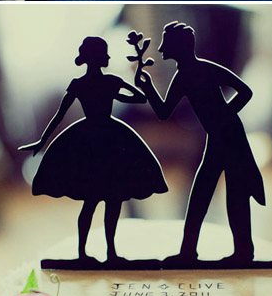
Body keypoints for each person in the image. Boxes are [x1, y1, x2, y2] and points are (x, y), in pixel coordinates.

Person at [20, 36, 168, 265]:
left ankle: (96, 253)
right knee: (107, 200)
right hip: (103, 141)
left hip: (94, 139)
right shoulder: (107, 81)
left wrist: (42, 140)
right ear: (100, 57)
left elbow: (60, 116)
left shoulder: (84, 83)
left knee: (98, 200)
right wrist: (41, 141)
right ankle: (101, 253)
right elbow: (139, 97)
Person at [138, 21, 265, 265]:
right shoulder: (183, 76)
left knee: (232, 194)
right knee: (203, 194)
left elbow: (245, 91)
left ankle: (241, 252)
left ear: (180, 46)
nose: (163, 48)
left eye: (167, 43)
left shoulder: (205, 70)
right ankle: (192, 252)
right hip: (217, 136)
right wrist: (148, 88)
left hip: (228, 135)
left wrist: (225, 116)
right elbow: (164, 112)